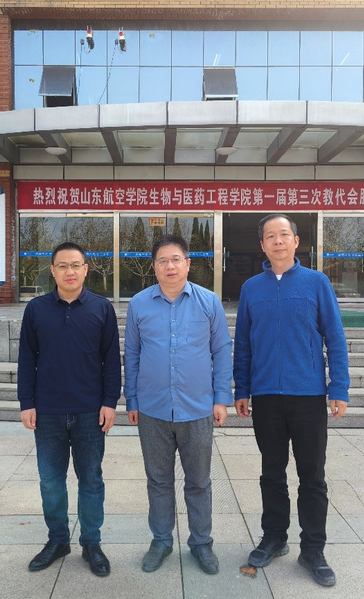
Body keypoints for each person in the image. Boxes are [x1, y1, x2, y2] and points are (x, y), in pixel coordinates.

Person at [233, 214, 349, 587]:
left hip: (308, 395)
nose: (278, 241)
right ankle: (274, 537)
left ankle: (313, 548)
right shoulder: (251, 288)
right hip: (266, 396)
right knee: (271, 472)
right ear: (262, 245)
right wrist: (241, 389)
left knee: (312, 475)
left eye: (284, 234)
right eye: (271, 236)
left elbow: (335, 337)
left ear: (296, 241)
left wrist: (339, 387)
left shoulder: (316, 283)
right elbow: (243, 343)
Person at [124, 234, 232, 576]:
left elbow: (221, 351)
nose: (169, 266)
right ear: (153, 267)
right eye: (162, 260)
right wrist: (132, 398)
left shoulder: (209, 302)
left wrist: (221, 398)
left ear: (188, 264)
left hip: (197, 408)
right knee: (158, 481)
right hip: (152, 409)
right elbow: (132, 354)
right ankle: (161, 541)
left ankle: (201, 542)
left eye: (176, 259)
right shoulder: (139, 304)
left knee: (199, 481)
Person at [17, 242, 121, 577]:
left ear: (86, 269)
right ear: (53, 271)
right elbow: (26, 359)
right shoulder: (36, 309)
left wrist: (110, 402)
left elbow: (111, 361)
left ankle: (92, 543)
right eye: (62, 266)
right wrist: (26, 403)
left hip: (90, 412)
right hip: (48, 412)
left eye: (76, 265)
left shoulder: (102, 308)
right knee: (50, 481)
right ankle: (58, 540)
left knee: (91, 480)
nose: (70, 271)